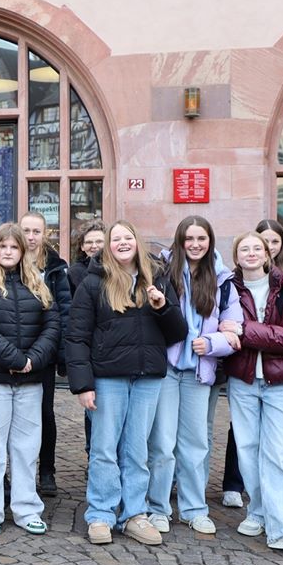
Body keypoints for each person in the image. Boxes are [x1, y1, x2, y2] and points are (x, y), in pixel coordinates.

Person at [66, 220, 187, 546]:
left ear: (137, 241)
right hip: (107, 378)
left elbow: (178, 333)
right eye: (115, 239)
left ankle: (135, 513)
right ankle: (101, 515)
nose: (121, 243)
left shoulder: (157, 278)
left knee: (136, 451)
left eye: (127, 238)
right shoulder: (93, 283)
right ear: (107, 245)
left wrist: (163, 308)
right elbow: (76, 336)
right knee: (104, 450)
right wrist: (82, 384)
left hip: (147, 377)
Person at [145, 216, 242, 538]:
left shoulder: (223, 280)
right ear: (180, 241)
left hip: (200, 372)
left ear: (210, 241)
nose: (195, 244)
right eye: (189, 238)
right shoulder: (163, 273)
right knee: (161, 443)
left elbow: (233, 330)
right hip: (166, 370)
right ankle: (157, 507)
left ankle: (194, 509)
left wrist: (212, 343)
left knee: (195, 444)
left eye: (201, 238)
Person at [0, 223, 60, 537]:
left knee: (27, 449)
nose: (7, 252)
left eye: (13, 247)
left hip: (30, 383)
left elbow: (53, 326)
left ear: (22, 251)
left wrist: (33, 360)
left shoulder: (39, 285)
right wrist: (17, 360)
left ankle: (26, 509)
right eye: (2, 246)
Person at [224, 231, 283, 552]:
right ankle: (260, 510)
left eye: (256, 248)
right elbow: (219, 329)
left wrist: (243, 330)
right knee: (248, 451)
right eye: (243, 249)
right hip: (243, 379)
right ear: (236, 257)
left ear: (267, 254)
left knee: (279, 451)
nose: (250, 253)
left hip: (280, 381)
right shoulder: (229, 289)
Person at [18, 212, 71, 497]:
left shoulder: (56, 268)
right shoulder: (8, 261)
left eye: (36, 231)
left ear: (45, 234)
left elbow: (65, 311)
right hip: (15, 349)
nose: (31, 236)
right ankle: (11, 471)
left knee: (44, 412)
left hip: (46, 351)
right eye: (26, 230)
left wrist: (63, 355)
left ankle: (47, 470)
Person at [68, 219, 106, 453]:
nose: (94, 246)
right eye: (89, 242)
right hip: (90, 346)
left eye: (99, 241)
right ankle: (93, 455)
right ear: (81, 246)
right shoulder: (75, 273)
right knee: (92, 406)